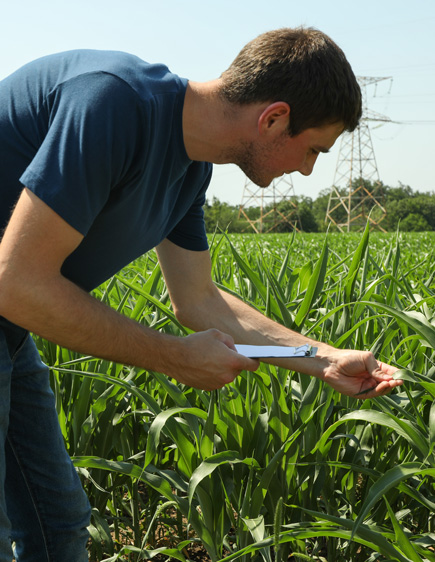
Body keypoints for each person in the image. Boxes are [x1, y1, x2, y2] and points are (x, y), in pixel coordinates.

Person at [0, 27, 402, 561]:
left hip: (8, 332)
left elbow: (198, 300)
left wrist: (324, 358)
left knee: (59, 525)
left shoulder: (190, 170)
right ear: (274, 118)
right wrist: (173, 357)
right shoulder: (112, 102)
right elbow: (16, 283)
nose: (307, 170)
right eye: (313, 150)